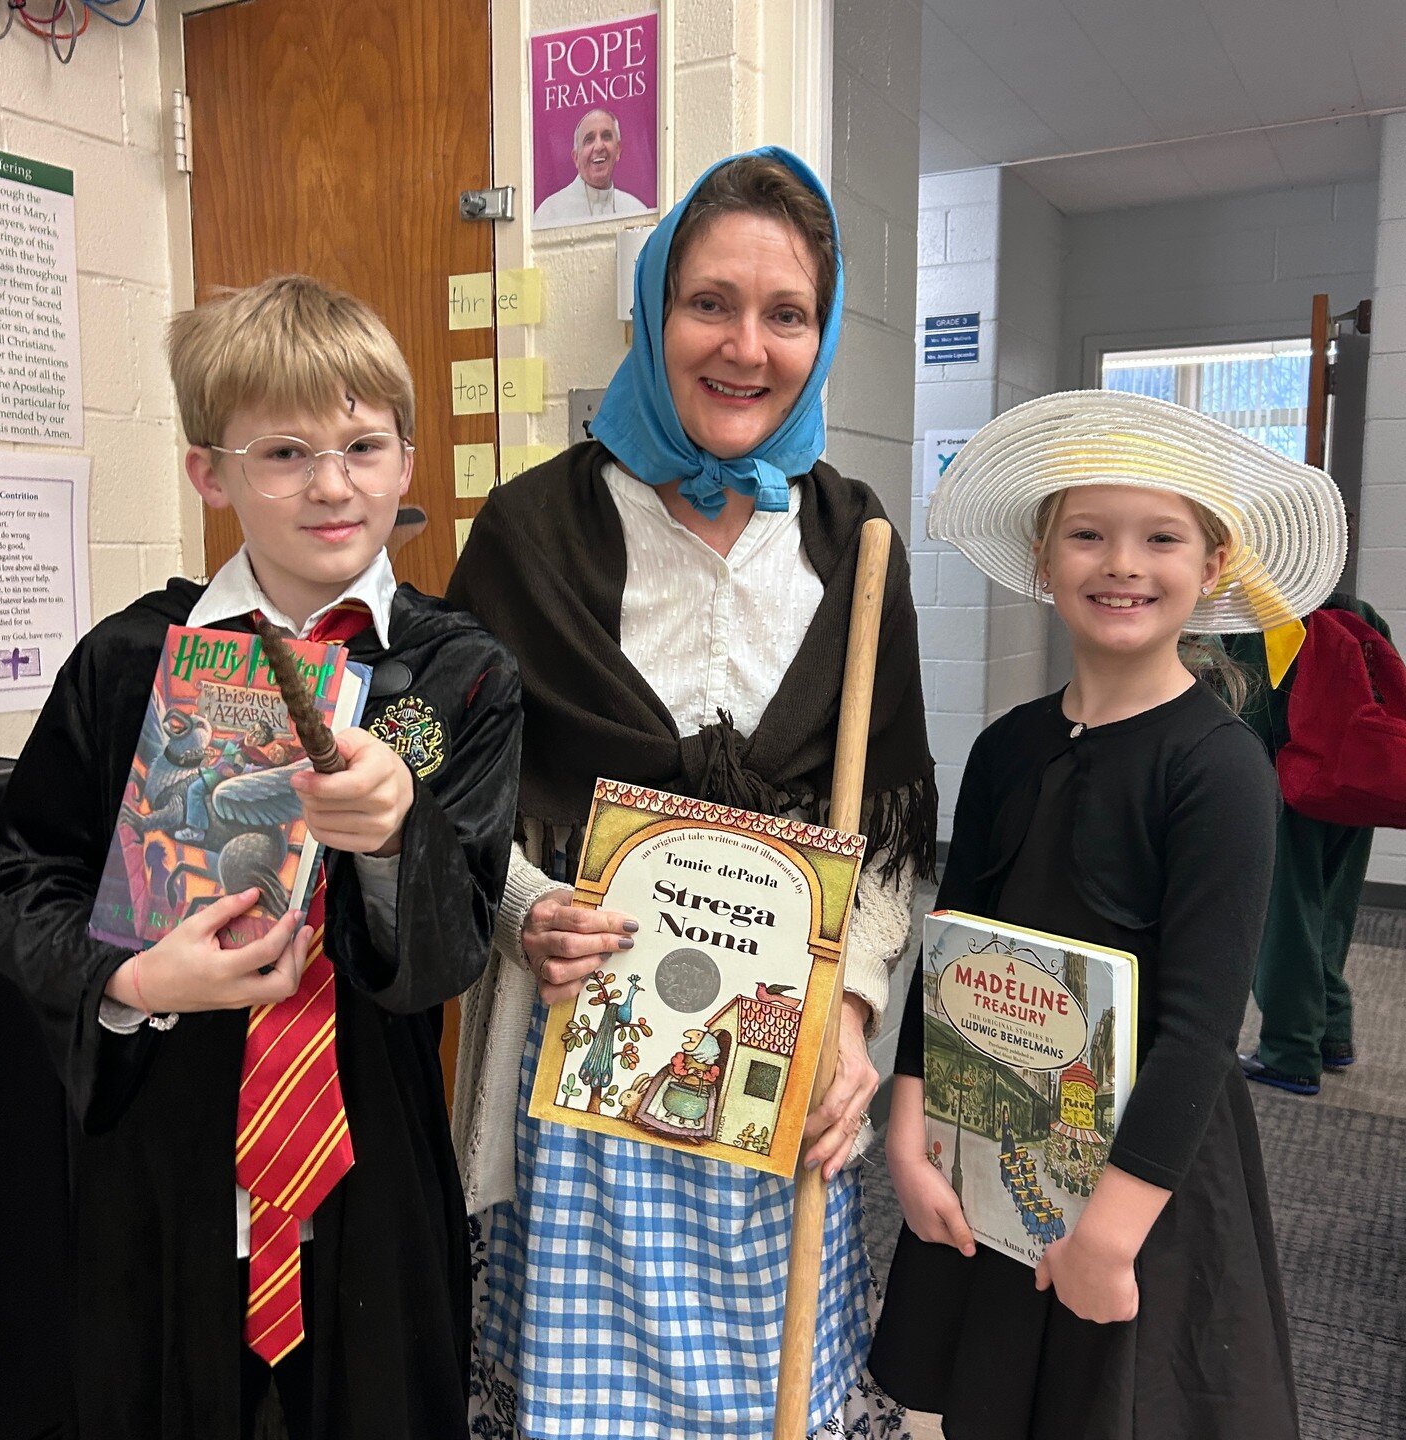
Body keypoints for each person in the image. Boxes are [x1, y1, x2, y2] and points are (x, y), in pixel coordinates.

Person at [0, 275, 522, 1440]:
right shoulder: (128, 664)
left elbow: (457, 944)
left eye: (363, 445)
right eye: (283, 452)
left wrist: (392, 842)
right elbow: (18, 878)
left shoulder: (460, 674)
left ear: (407, 459)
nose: (332, 484)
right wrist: (126, 983)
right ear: (208, 473)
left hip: (369, 1155)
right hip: (166, 1161)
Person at [448, 149, 937, 1437]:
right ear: (654, 311)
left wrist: (858, 1010)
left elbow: (885, 836)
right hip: (582, 1071)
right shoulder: (530, 533)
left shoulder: (856, 540)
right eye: (708, 302)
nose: (746, 346)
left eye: (788, 314)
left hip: (777, 1069)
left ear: (821, 337)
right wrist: (523, 913)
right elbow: (452, 790)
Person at [869, 389, 1348, 1440]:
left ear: (1214, 564)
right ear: (1045, 562)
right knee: (991, 1393)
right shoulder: (1007, 747)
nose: (1123, 563)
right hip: (999, 1136)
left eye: (1161, 538)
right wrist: (908, 1136)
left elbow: (1201, 1030)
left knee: (1111, 1405)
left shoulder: (1219, 770)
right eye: (1088, 534)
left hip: (1144, 1172)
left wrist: (1111, 1236)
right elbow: (949, 954)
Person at [1226, 589, 1394, 1095]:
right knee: (1331, 908)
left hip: (1289, 785)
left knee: (1284, 919)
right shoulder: (1356, 608)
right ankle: (1332, 1034)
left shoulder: (1261, 617)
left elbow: (1255, 714)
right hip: (1352, 780)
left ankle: (1289, 1051)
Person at [532, 106, 652, 228]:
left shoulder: (636, 210)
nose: (599, 146)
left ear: (618, 150)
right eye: (589, 140)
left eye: (606, 136)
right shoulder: (550, 212)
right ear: (576, 158)